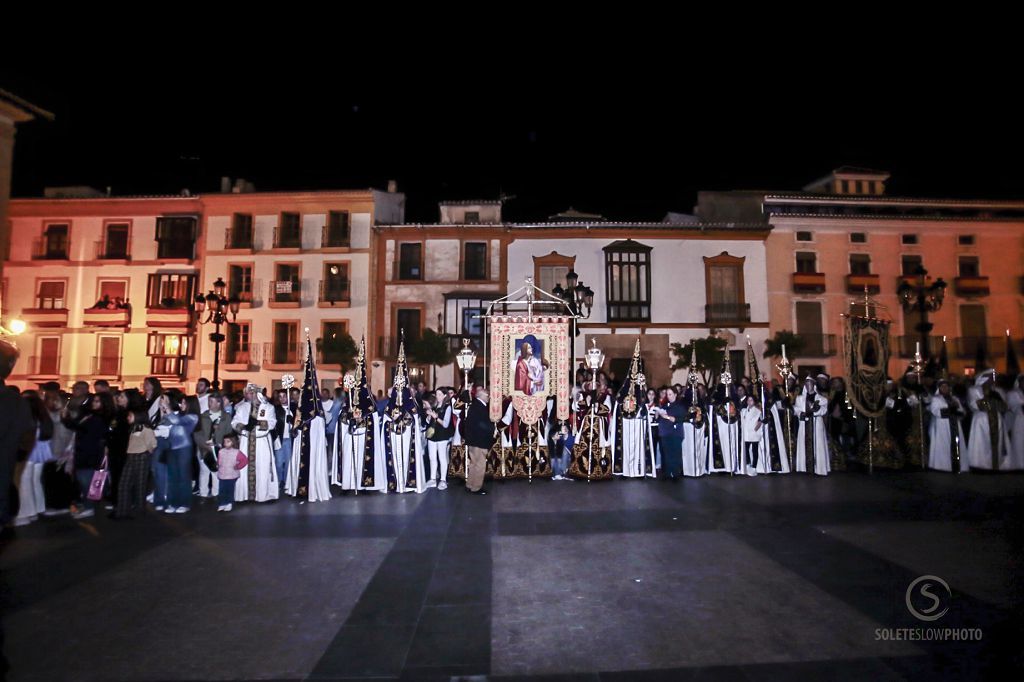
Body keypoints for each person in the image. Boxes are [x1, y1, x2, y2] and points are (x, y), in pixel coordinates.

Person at [381, 341, 426, 494]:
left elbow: (415, 419)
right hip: (394, 438)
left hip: (407, 439)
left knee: (407, 459)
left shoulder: (411, 405)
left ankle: (408, 484)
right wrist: (393, 422)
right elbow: (386, 421)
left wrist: (404, 420)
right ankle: (395, 483)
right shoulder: (389, 406)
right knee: (394, 458)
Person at [62, 392, 115, 519]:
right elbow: (78, 426)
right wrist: (67, 419)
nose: (94, 403)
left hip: (91, 452)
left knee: (87, 480)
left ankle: (89, 506)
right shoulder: (89, 415)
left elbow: (88, 431)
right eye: (94, 401)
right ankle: (88, 504)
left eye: (97, 401)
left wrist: (68, 420)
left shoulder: (100, 418)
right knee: (84, 478)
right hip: (83, 450)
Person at [610, 343, 656, 478]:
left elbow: (645, 405)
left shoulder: (642, 391)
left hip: (637, 423)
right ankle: (625, 470)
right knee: (626, 447)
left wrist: (643, 390)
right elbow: (618, 403)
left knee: (638, 447)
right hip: (625, 423)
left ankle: (638, 470)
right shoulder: (623, 391)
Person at [231, 383, 279, 503]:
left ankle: (263, 495)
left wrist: (257, 422)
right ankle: (244, 495)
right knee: (244, 467)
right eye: (248, 393)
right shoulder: (241, 407)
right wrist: (244, 426)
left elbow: (272, 423)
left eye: (252, 393)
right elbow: (234, 422)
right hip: (245, 441)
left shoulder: (268, 407)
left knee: (263, 467)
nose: (250, 395)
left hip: (261, 442)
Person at [14, 391, 52, 525]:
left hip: (29, 453)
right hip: (40, 452)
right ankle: (37, 509)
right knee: (34, 481)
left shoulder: (29, 418)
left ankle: (25, 513)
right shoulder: (43, 417)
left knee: (25, 483)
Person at [160, 391, 199, 514]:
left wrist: (167, 406)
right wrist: (163, 409)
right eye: (181, 402)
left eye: (184, 403)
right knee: (173, 477)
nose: (181, 405)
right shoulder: (179, 415)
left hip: (184, 448)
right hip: (172, 448)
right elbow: (164, 421)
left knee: (183, 477)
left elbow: (176, 421)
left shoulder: (193, 416)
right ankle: (173, 502)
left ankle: (184, 503)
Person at [116, 410, 157, 519]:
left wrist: (146, 453)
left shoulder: (146, 429)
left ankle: (139, 511)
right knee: (124, 484)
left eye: (130, 415)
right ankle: (122, 511)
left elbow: (152, 444)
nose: (128, 417)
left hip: (141, 456)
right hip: (131, 456)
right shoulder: (133, 428)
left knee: (140, 484)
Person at [967, 369, 1010, 471]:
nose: (992, 379)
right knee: (982, 443)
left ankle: (997, 465)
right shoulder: (974, 390)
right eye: (990, 377)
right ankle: (981, 465)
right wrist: (992, 402)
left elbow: (1004, 406)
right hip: (981, 421)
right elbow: (977, 405)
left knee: (997, 443)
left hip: (997, 419)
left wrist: (991, 401)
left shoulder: (998, 391)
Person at [568, 387, 612, 481]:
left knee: (599, 447)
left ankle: (599, 471)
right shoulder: (583, 395)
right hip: (586, 426)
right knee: (582, 446)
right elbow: (575, 407)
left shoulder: (605, 397)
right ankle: (581, 470)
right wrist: (584, 401)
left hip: (599, 425)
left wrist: (597, 405)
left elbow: (608, 409)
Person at [195, 393, 233, 498]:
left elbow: (229, 433)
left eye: (212, 401)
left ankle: (216, 493)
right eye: (209, 401)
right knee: (204, 471)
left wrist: (223, 445)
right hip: (204, 448)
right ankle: (203, 493)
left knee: (216, 472)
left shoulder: (226, 417)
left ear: (218, 403)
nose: (209, 404)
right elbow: (197, 433)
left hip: (219, 448)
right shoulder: (203, 417)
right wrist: (204, 444)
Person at [928, 379, 966, 472]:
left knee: (956, 444)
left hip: (955, 424)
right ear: (939, 388)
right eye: (942, 386)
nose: (945, 388)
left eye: (946, 386)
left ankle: (957, 465)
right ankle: (943, 465)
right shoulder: (936, 399)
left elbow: (962, 411)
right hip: (942, 425)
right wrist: (951, 409)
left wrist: (957, 411)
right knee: (943, 445)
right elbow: (936, 411)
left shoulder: (955, 398)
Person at [795, 377, 830, 476]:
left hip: (816, 423)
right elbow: (797, 409)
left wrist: (816, 410)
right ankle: (804, 467)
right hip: (804, 423)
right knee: (803, 442)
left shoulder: (822, 399)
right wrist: (801, 413)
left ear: (814, 385)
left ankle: (818, 468)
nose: (808, 385)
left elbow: (824, 410)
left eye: (810, 383)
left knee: (818, 444)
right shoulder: (800, 398)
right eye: (806, 383)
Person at [463, 384, 493, 494]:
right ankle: (476, 487)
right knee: (480, 465)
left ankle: (470, 484)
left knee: (473, 464)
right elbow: (481, 424)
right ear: (481, 396)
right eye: (487, 395)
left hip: (473, 440)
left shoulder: (475, 406)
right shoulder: (480, 407)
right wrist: (492, 428)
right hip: (479, 441)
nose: (489, 397)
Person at [424, 389, 454, 490]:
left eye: (440, 394)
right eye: (437, 394)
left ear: (445, 396)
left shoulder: (447, 407)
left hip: (442, 435)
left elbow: (445, 424)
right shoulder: (435, 406)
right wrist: (429, 416)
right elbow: (429, 421)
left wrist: (436, 417)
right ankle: (432, 478)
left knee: (442, 457)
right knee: (432, 457)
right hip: (433, 435)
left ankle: (443, 479)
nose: (437, 396)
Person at [654, 385, 685, 481]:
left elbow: (681, 418)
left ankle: (675, 473)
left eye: (670, 394)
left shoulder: (679, 406)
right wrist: (658, 413)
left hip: (675, 433)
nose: (668, 396)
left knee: (675, 453)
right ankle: (667, 473)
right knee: (666, 453)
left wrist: (668, 417)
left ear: (675, 394)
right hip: (665, 432)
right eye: (667, 394)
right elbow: (658, 418)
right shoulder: (665, 405)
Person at [681, 383, 707, 477]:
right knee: (688, 448)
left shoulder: (700, 402)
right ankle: (688, 470)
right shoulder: (684, 402)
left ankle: (699, 469)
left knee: (698, 448)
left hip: (698, 428)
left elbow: (703, 414)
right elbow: (683, 414)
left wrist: (699, 418)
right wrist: (689, 418)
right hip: (687, 428)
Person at [216, 433, 245, 512]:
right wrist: (218, 465)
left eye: (228, 441)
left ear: (233, 442)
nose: (225, 443)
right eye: (224, 441)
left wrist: (238, 466)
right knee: (221, 490)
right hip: (222, 474)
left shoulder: (237, 452)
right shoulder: (221, 451)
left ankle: (229, 503)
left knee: (229, 489)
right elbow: (219, 461)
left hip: (232, 475)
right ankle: (222, 503)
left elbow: (244, 460)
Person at [740, 395, 763, 476]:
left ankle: (754, 467)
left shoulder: (758, 411)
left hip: (754, 434)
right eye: (748, 400)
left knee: (754, 451)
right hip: (746, 434)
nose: (750, 402)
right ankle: (748, 464)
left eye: (751, 400)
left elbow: (760, 422)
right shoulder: (743, 411)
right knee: (746, 449)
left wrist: (756, 429)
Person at [1007, 374, 1024, 470]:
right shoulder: (1013, 393)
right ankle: (1018, 465)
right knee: (1019, 443)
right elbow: (1015, 408)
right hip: (1019, 421)